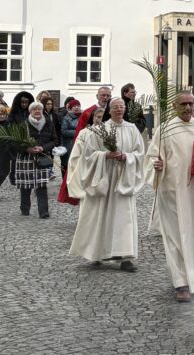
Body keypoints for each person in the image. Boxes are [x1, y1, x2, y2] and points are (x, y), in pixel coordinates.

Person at [145, 90, 194, 303]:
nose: (188, 108)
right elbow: (152, 158)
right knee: (176, 236)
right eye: (184, 104)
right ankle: (181, 282)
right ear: (175, 107)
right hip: (172, 193)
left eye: (191, 103)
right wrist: (156, 165)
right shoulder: (165, 130)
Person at [68, 97, 145, 271]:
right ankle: (97, 253)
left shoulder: (132, 129)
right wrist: (105, 156)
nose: (119, 110)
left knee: (123, 217)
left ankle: (125, 256)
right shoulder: (99, 130)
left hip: (123, 177)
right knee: (99, 215)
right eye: (116, 107)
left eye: (122, 107)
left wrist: (127, 157)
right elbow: (88, 155)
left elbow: (140, 154)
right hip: (103, 177)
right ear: (109, 110)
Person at [14, 101, 57, 218]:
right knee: (26, 185)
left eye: (39, 109)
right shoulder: (23, 125)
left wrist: (43, 147)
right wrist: (27, 148)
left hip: (41, 157)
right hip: (26, 157)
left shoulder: (48, 123)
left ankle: (44, 212)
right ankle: (25, 208)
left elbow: (55, 140)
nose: (37, 111)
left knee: (41, 185)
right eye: (34, 109)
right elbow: (16, 143)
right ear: (30, 112)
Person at [57, 98, 83, 203]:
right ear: (70, 108)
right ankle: (67, 187)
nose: (77, 107)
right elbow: (63, 131)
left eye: (78, 105)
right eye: (74, 106)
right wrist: (77, 132)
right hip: (69, 146)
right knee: (67, 166)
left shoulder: (83, 117)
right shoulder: (67, 118)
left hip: (80, 145)